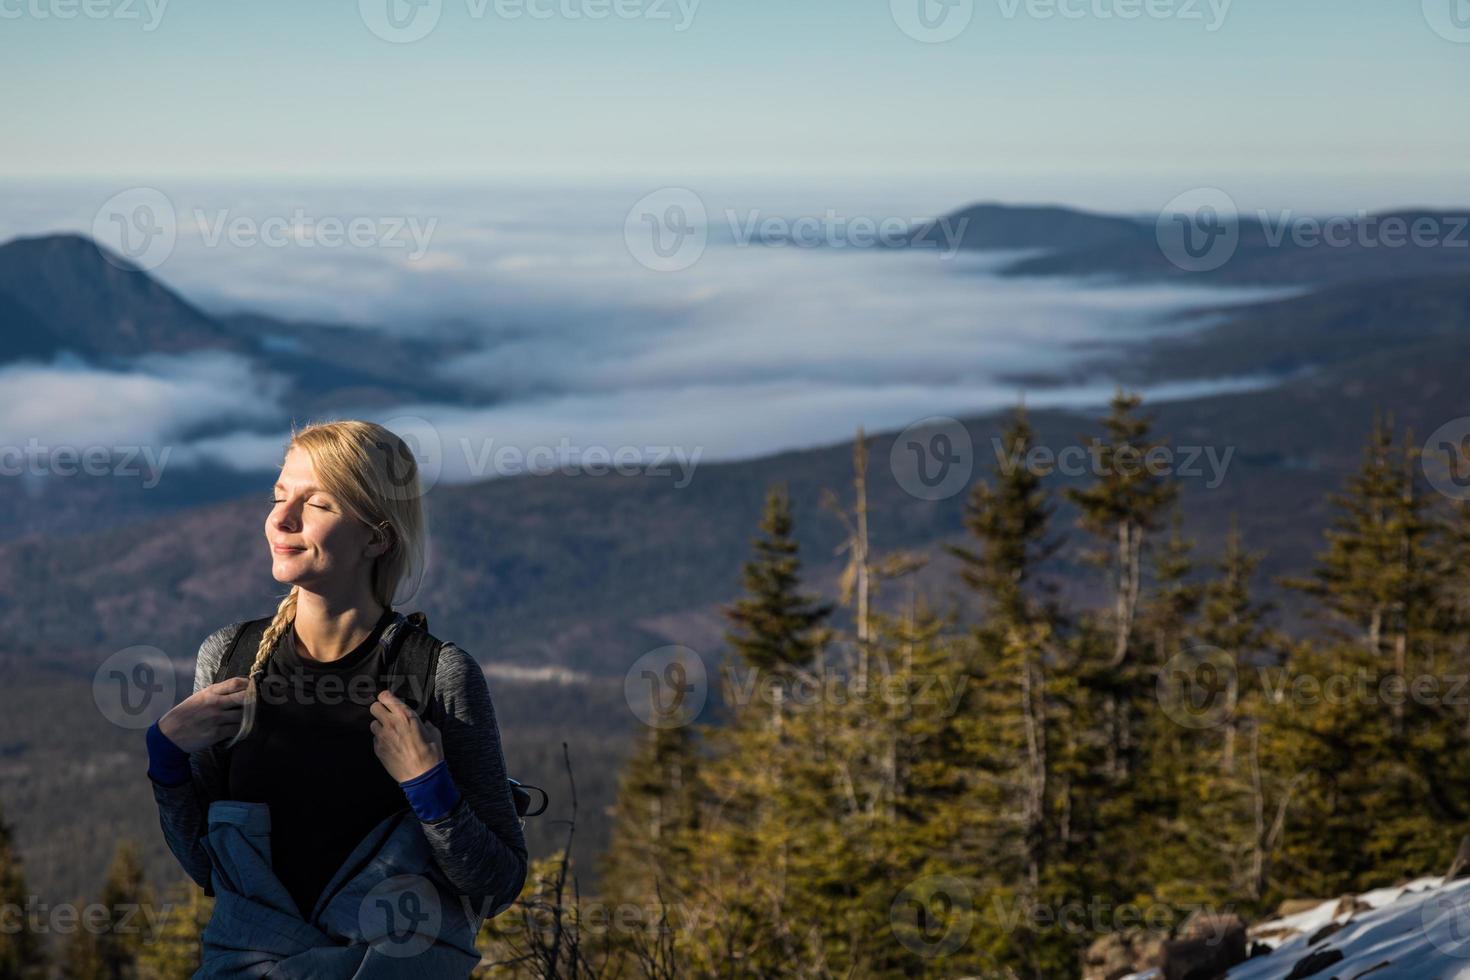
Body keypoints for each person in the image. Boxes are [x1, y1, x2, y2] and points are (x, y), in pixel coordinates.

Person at [145, 419, 528, 977]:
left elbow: (497, 885)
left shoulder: (436, 673)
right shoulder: (228, 658)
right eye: (279, 495)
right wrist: (166, 761)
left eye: (317, 504)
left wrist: (430, 790)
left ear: (377, 537)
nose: (281, 518)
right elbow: (211, 869)